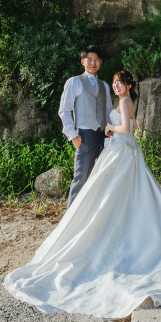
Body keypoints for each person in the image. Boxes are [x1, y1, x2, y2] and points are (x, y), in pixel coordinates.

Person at [4, 70, 161, 319]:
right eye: (115, 83)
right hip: (119, 151)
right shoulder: (126, 101)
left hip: (122, 153)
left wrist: (109, 126)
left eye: (121, 83)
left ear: (129, 85)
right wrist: (114, 129)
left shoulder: (125, 101)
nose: (117, 86)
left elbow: (127, 129)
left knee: (116, 194)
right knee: (113, 194)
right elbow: (132, 124)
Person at [57, 45, 113, 208]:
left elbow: (108, 112)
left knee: (103, 176)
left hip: (103, 135)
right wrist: (73, 135)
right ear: (83, 61)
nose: (93, 63)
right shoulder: (74, 82)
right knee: (81, 178)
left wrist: (111, 132)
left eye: (97, 60)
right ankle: (71, 219)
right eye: (90, 60)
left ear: (101, 62)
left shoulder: (105, 86)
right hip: (85, 135)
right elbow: (64, 110)